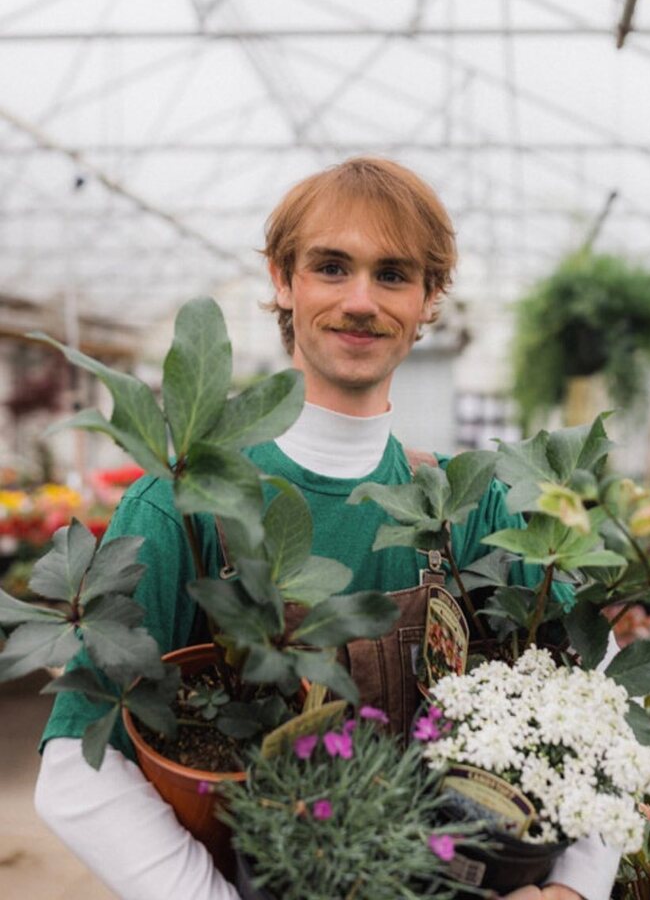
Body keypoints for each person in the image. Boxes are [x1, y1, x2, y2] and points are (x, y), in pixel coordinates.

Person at [35, 158, 620, 900]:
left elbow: (604, 696)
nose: (360, 301)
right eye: (332, 267)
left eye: (394, 274)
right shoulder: (183, 504)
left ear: (429, 299)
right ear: (284, 280)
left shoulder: (468, 507)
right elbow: (76, 768)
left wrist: (576, 884)